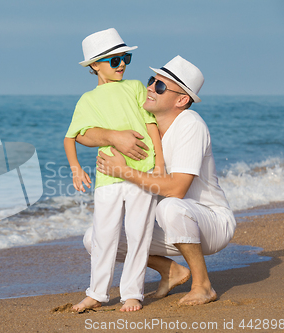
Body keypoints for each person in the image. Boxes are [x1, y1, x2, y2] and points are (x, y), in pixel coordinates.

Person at [79, 55, 236, 306]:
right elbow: (84, 131)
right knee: (94, 237)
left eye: (160, 86)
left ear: (182, 100)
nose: (150, 88)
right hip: (171, 224)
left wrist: (124, 172)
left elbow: (177, 189)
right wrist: (112, 136)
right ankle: (171, 270)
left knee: (169, 207)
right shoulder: (141, 121)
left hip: (210, 221)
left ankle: (203, 285)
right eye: (152, 80)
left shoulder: (189, 124)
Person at [63, 28, 165, 312]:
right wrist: (75, 170)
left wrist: (159, 162)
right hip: (107, 176)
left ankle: (133, 293)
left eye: (125, 58)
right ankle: (96, 292)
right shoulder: (87, 100)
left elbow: (150, 124)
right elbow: (71, 136)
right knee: (103, 235)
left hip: (142, 171)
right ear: (95, 65)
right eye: (114, 60)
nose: (121, 64)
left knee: (138, 233)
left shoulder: (134, 87)